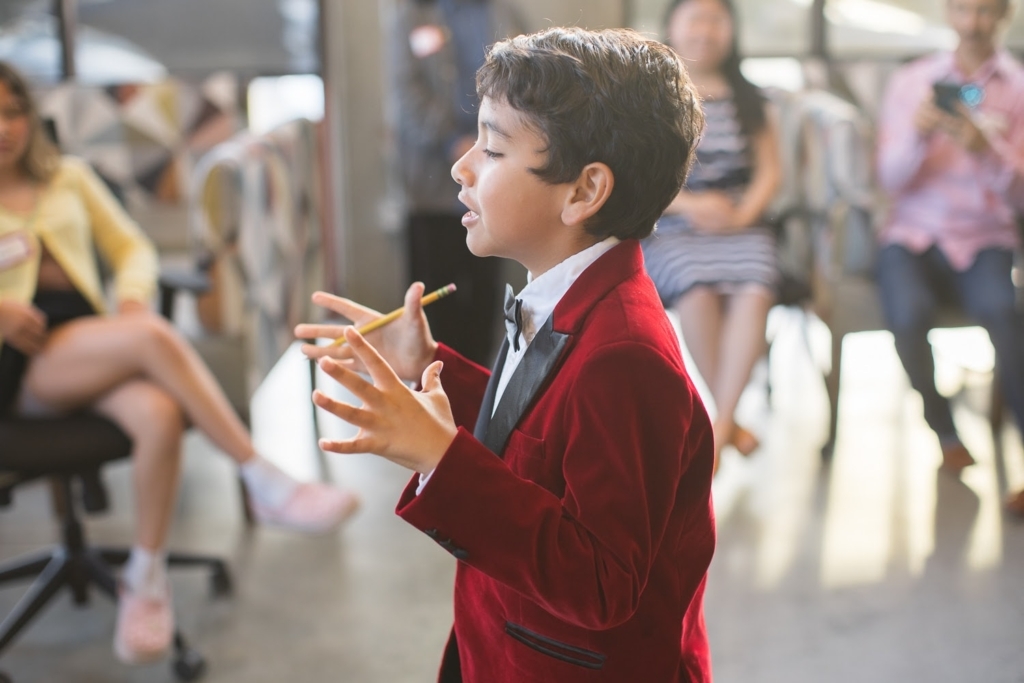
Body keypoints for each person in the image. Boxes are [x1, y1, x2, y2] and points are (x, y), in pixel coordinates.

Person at [298, 27, 715, 682]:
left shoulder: (627, 356)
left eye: (492, 149)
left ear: (583, 192)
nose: (461, 167)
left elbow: (603, 581)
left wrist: (441, 456)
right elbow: (547, 434)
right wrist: (430, 365)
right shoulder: (576, 294)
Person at [0, 62, 358, 665]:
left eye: (12, 112)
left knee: (160, 411)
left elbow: (132, 247)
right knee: (152, 341)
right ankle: (259, 475)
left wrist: (135, 296)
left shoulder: (68, 177)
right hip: (17, 366)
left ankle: (145, 580)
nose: (4, 128)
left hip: (86, 342)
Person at [874, 0, 1024, 504]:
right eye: (964, 9)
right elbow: (889, 179)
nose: (974, 22)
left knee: (1005, 313)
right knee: (907, 315)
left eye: (986, 11)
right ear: (948, 12)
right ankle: (947, 433)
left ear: (1002, 16)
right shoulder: (912, 82)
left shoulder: (1019, 88)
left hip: (984, 236)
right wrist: (918, 135)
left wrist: (987, 148)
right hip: (913, 233)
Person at [641, 0, 782, 472]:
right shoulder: (654, 93)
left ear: (731, 30)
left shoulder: (749, 96)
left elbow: (770, 171)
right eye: (695, 18)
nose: (705, 29)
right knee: (696, 289)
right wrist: (693, 205)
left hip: (741, 223)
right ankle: (728, 422)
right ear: (673, 25)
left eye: (716, 20)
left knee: (756, 287)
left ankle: (717, 428)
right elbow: (638, 175)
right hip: (673, 223)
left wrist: (744, 215)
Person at [388, 0, 525, 366]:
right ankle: (433, 386)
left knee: (485, 293)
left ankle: (480, 388)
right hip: (432, 184)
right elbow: (407, 95)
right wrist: (456, 143)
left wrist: (493, 145)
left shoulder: (503, 12)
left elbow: (527, 84)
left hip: (495, 177)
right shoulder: (415, 15)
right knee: (436, 295)